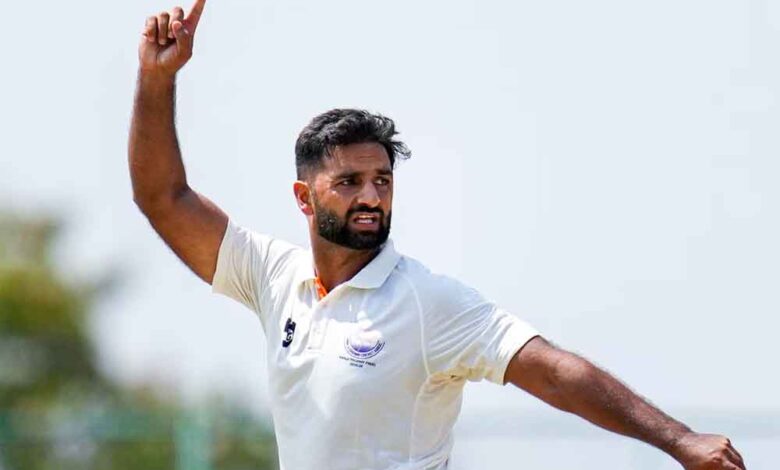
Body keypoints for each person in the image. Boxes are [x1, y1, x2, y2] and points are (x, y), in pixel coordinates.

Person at [128, 1, 747, 469]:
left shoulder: (428, 303)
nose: (372, 197)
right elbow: (163, 199)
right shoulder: (273, 276)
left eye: (382, 180)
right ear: (303, 197)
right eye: (349, 182)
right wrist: (158, 81)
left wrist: (679, 440)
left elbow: (556, 372)